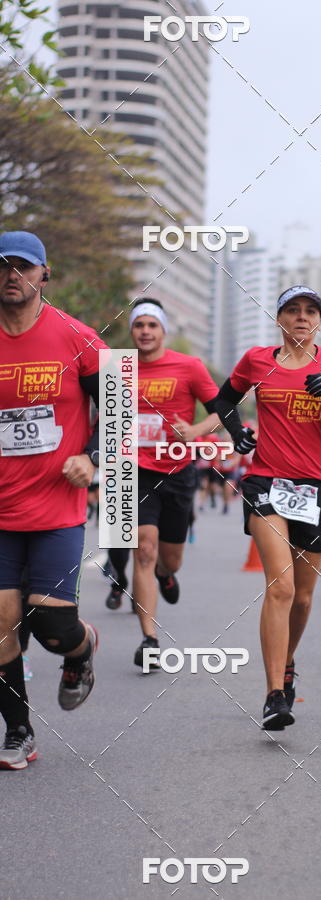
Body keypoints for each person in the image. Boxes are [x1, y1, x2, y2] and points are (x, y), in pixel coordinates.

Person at [215, 285, 321, 730]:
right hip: (265, 482)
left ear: (320, 321)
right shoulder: (257, 360)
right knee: (280, 587)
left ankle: (287, 664)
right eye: (293, 310)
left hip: (317, 487)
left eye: (310, 311)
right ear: (279, 318)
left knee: (303, 596)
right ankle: (274, 694)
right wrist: (236, 432)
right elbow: (226, 399)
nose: (302, 318)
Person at [0, 231, 101, 769]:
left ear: (44, 275)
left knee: (51, 629)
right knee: (0, 624)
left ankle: (81, 649)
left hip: (57, 507)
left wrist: (95, 458)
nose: (11, 275)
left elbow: (119, 405)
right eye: (2, 266)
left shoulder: (77, 337)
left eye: (23, 267)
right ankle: (18, 731)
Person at [128, 298, 221, 668]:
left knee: (169, 559)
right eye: (139, 325)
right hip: (133, 469)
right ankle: (149, 640)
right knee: (143, 550)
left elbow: (221, 411)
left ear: (163, 330)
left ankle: (167, 576)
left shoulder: (189, 366)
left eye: (152, 325)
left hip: (178, 472)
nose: (145, 332)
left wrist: (196, 430)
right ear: (132, 331)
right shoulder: (117, 369)